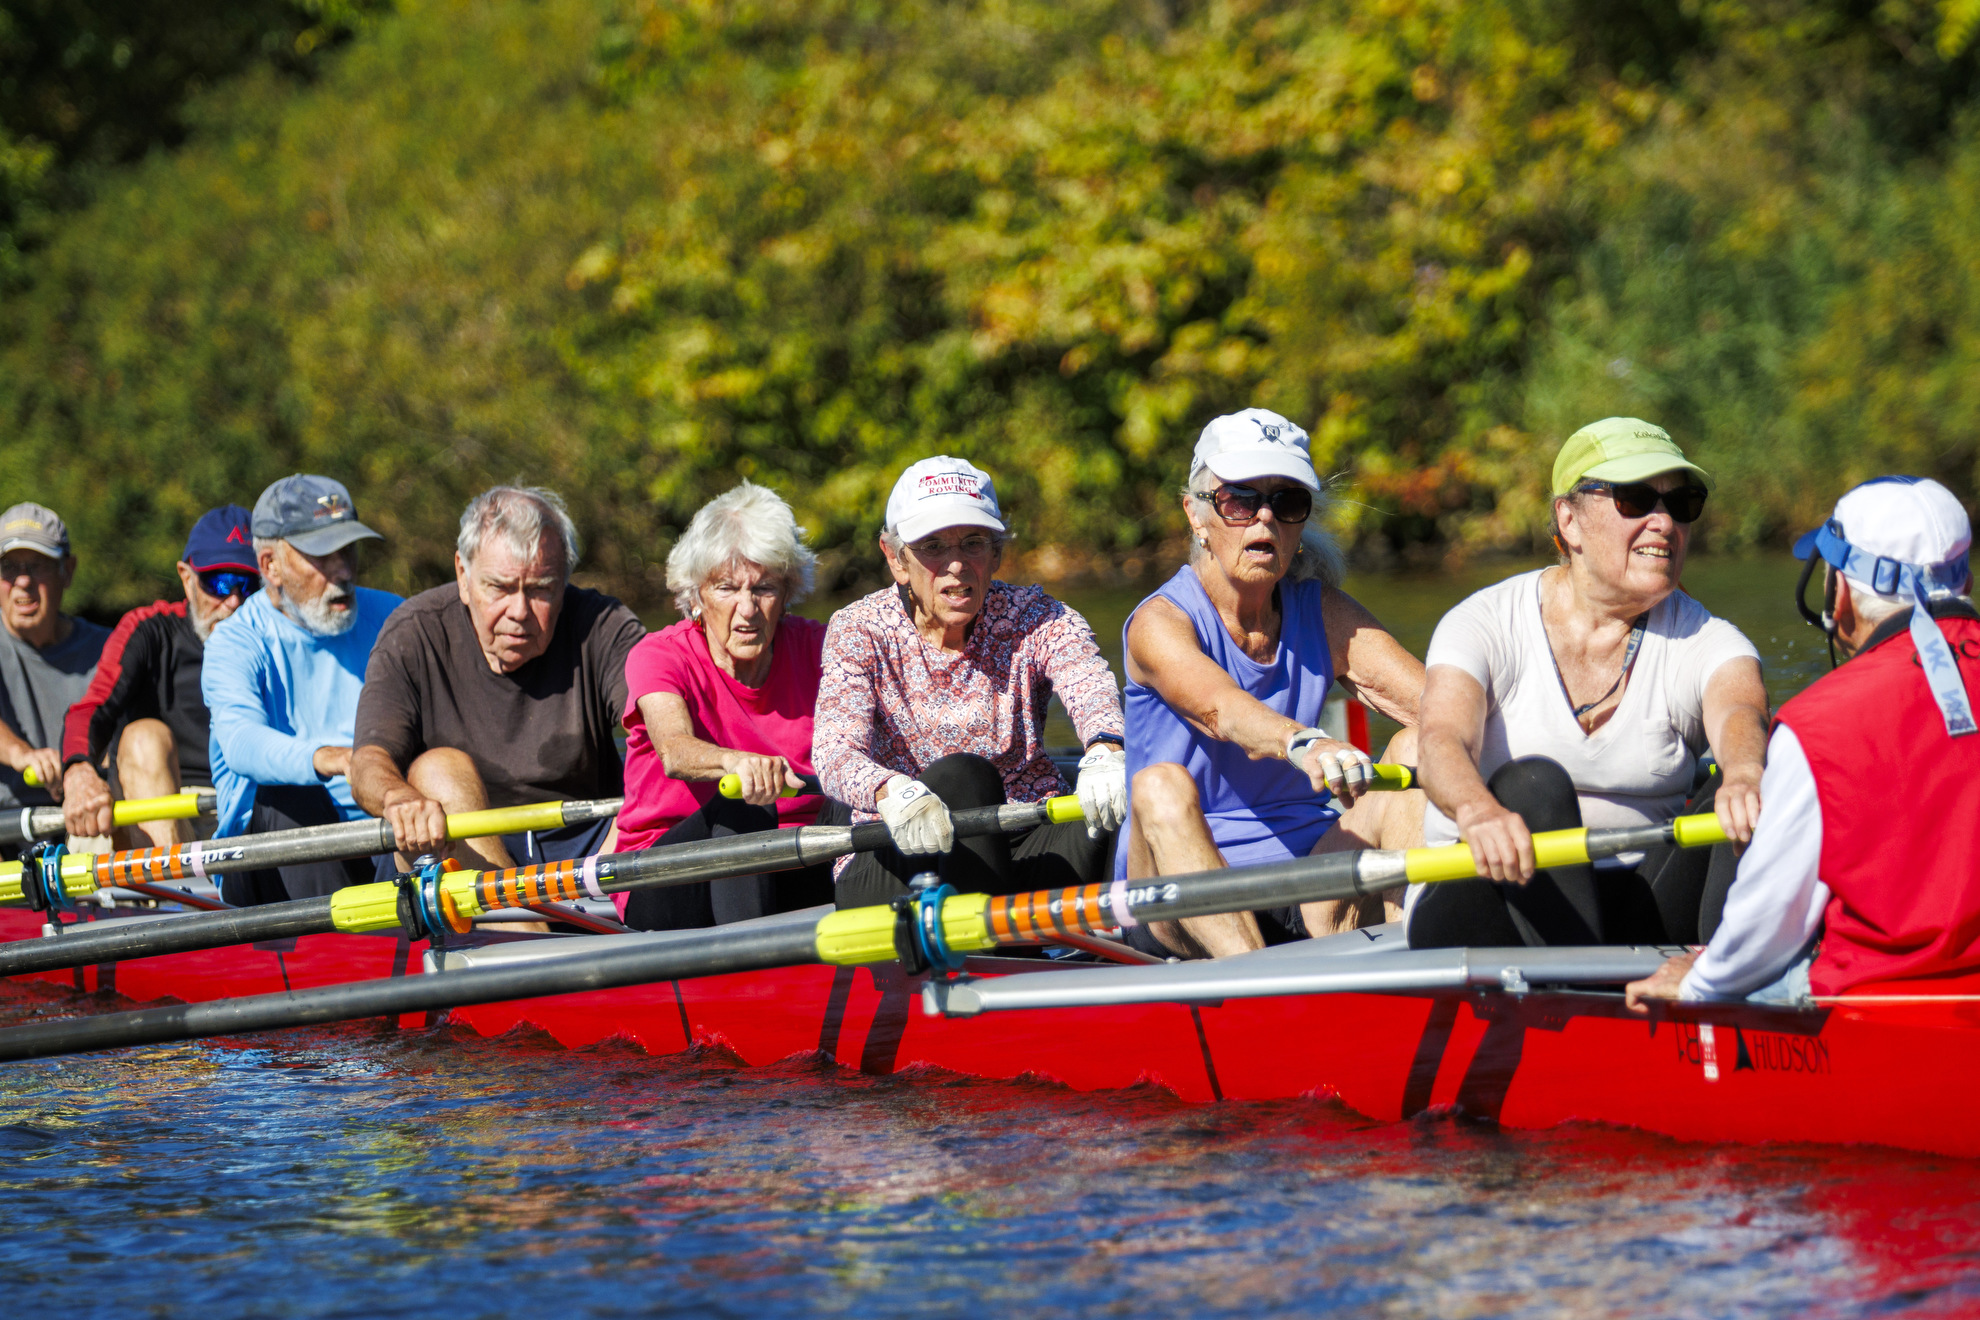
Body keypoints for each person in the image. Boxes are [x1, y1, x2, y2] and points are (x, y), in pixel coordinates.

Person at [1410, 417, 1768, 949]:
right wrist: (1476, 809)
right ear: (1569, 520)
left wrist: (1744, 774)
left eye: (1682, 503)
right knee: (1534, 785)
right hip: (1488, 897)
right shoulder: (1483, 622)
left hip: (1634, 905)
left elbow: (1740, 710)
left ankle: (1730, 976)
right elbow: (1441, 737)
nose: (1664, 523)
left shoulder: (1710, 641)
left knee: (1776, 757)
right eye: (1636, 499)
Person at [1628, 478, 1980, 1009]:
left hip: (1883, 1002)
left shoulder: (1815, 725)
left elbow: (1771, 916)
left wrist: (1699, 982)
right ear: (1966, 578)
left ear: (1838, 591)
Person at [1120, 409, 1429, 959]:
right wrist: (1304, 742)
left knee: (1421, 746)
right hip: (1176, 894)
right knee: (1159, 785)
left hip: (1310, 879)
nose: (1265, 521)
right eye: (1241, 501)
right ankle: (1260, 989)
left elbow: (1439, 708)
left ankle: (1415, 963)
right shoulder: (1160, 623)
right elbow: (1222, 710)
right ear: (1196, 514)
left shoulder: (1324, 612)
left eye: (1287, 503)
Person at [813, 456, 1127, 908]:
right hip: (903, 849)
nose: (956, 564)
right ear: (896, 559)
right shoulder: (859, 629)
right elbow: (834, 751)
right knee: (963, 776)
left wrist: (1105, 748)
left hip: (1025, 835)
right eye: (933, 546)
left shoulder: (1038, 617)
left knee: (1146, 780)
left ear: (996, 554)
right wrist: (889, 789)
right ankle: (1004, 956)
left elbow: (1089, 683)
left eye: (974, 543)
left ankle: (1153, 940)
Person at [351, 487, 644, 876]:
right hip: (457, 842)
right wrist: (399, 798)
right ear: (462, 575)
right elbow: (369, 762)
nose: (519, 612)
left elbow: (662, 730)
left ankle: (550, 921)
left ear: (564, 583)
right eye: (500, 588)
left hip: (586, 841)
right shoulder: (412, 632)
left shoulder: (605, 626)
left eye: (541, 589)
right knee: (437, 770)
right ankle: (527, 929)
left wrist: (602, 868)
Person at [615, 482, 834, 930]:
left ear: (789, 590)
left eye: (765, 589)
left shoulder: (821, 646)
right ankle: (751, 982)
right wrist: (738, 763)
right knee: (744, 803)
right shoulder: (659, 656)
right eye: (727, 588)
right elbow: (675, 750)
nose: (748, 609)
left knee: (862, 800)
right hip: (667, 874)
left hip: (795, 860)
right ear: (696, 595)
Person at [202, 475, 401, 904]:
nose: (344, 571)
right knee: (290, 794)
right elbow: (240, 743)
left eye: (348, 550)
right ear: (270, 565)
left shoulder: (395, 616)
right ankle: (347, 957)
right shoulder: (235, 641)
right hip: (263, 858)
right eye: (323, 556)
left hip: (382, 830)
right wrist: (332, 758)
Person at [61, 506, 258, 850]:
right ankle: (175, 894)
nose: (234, 602)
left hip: (250, 810)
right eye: (219, 583)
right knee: (143, 737)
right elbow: (92, 710)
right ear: (186, 578)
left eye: (249, 585)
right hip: (157, 808)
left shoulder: (282, 637)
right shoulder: (151, 629)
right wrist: (79, 772)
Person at [0, 503, 110, 819]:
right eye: (9, 567)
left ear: (68, 570)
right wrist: (19, 754)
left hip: (90, 822)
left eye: (38, 566)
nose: (23, 581)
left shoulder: (108, 648)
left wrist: (84, 770)